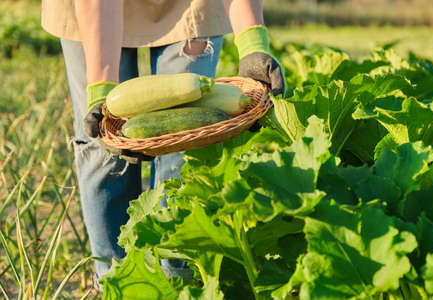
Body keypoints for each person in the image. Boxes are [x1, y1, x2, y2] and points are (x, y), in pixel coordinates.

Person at [41, 0, 285, 288]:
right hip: (95, 10)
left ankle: (175, 283)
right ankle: (114, 285)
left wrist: (252, 42)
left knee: (186, 144)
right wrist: (101, 90)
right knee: (102, 149)